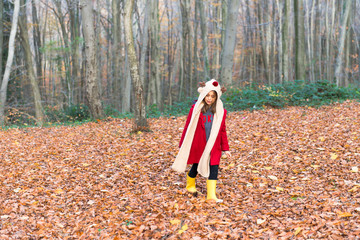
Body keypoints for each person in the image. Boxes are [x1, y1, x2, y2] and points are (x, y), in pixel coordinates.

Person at [172, 79, 231, 203]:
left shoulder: (221, 112)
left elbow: (222, 131)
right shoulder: (196, 109)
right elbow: (188, 126)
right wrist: (183, 143)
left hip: (214, 145)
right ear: (203, 94)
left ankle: (211, 196)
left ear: (216, 97)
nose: (209, 98)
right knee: (197, 165)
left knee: (214, 167)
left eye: (212, 96)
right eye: (207, 95)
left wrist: (225, 148)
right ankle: (190, 184)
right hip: (200, 143)